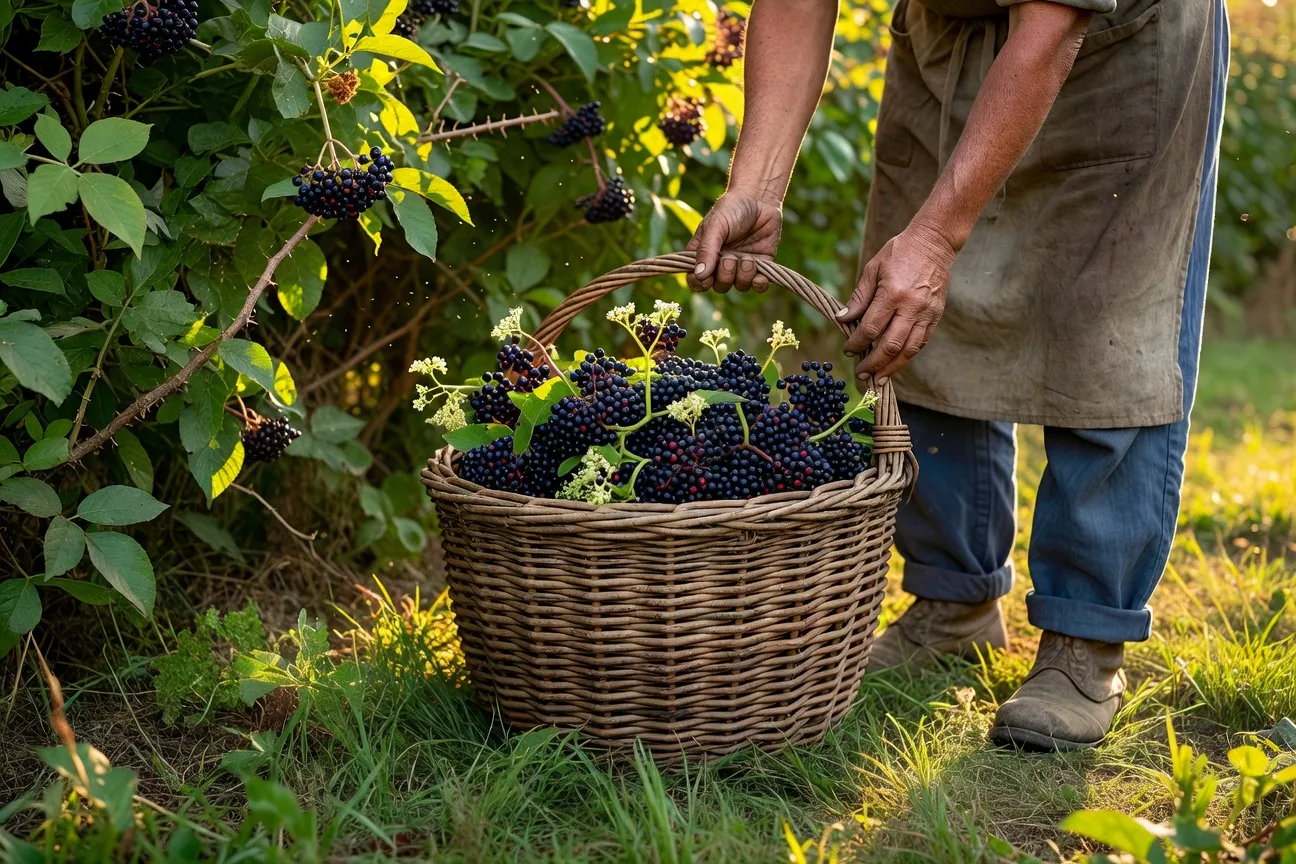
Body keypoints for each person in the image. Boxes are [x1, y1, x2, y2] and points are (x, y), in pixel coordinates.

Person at [686, 0, 1229, 751]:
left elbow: (1051, 23)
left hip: (1111, 45)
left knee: (1104, 323)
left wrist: (940, 236)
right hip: (950, 38)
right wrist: (757, 182)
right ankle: (954, 599)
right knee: (907, 323)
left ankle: (1084, 639)